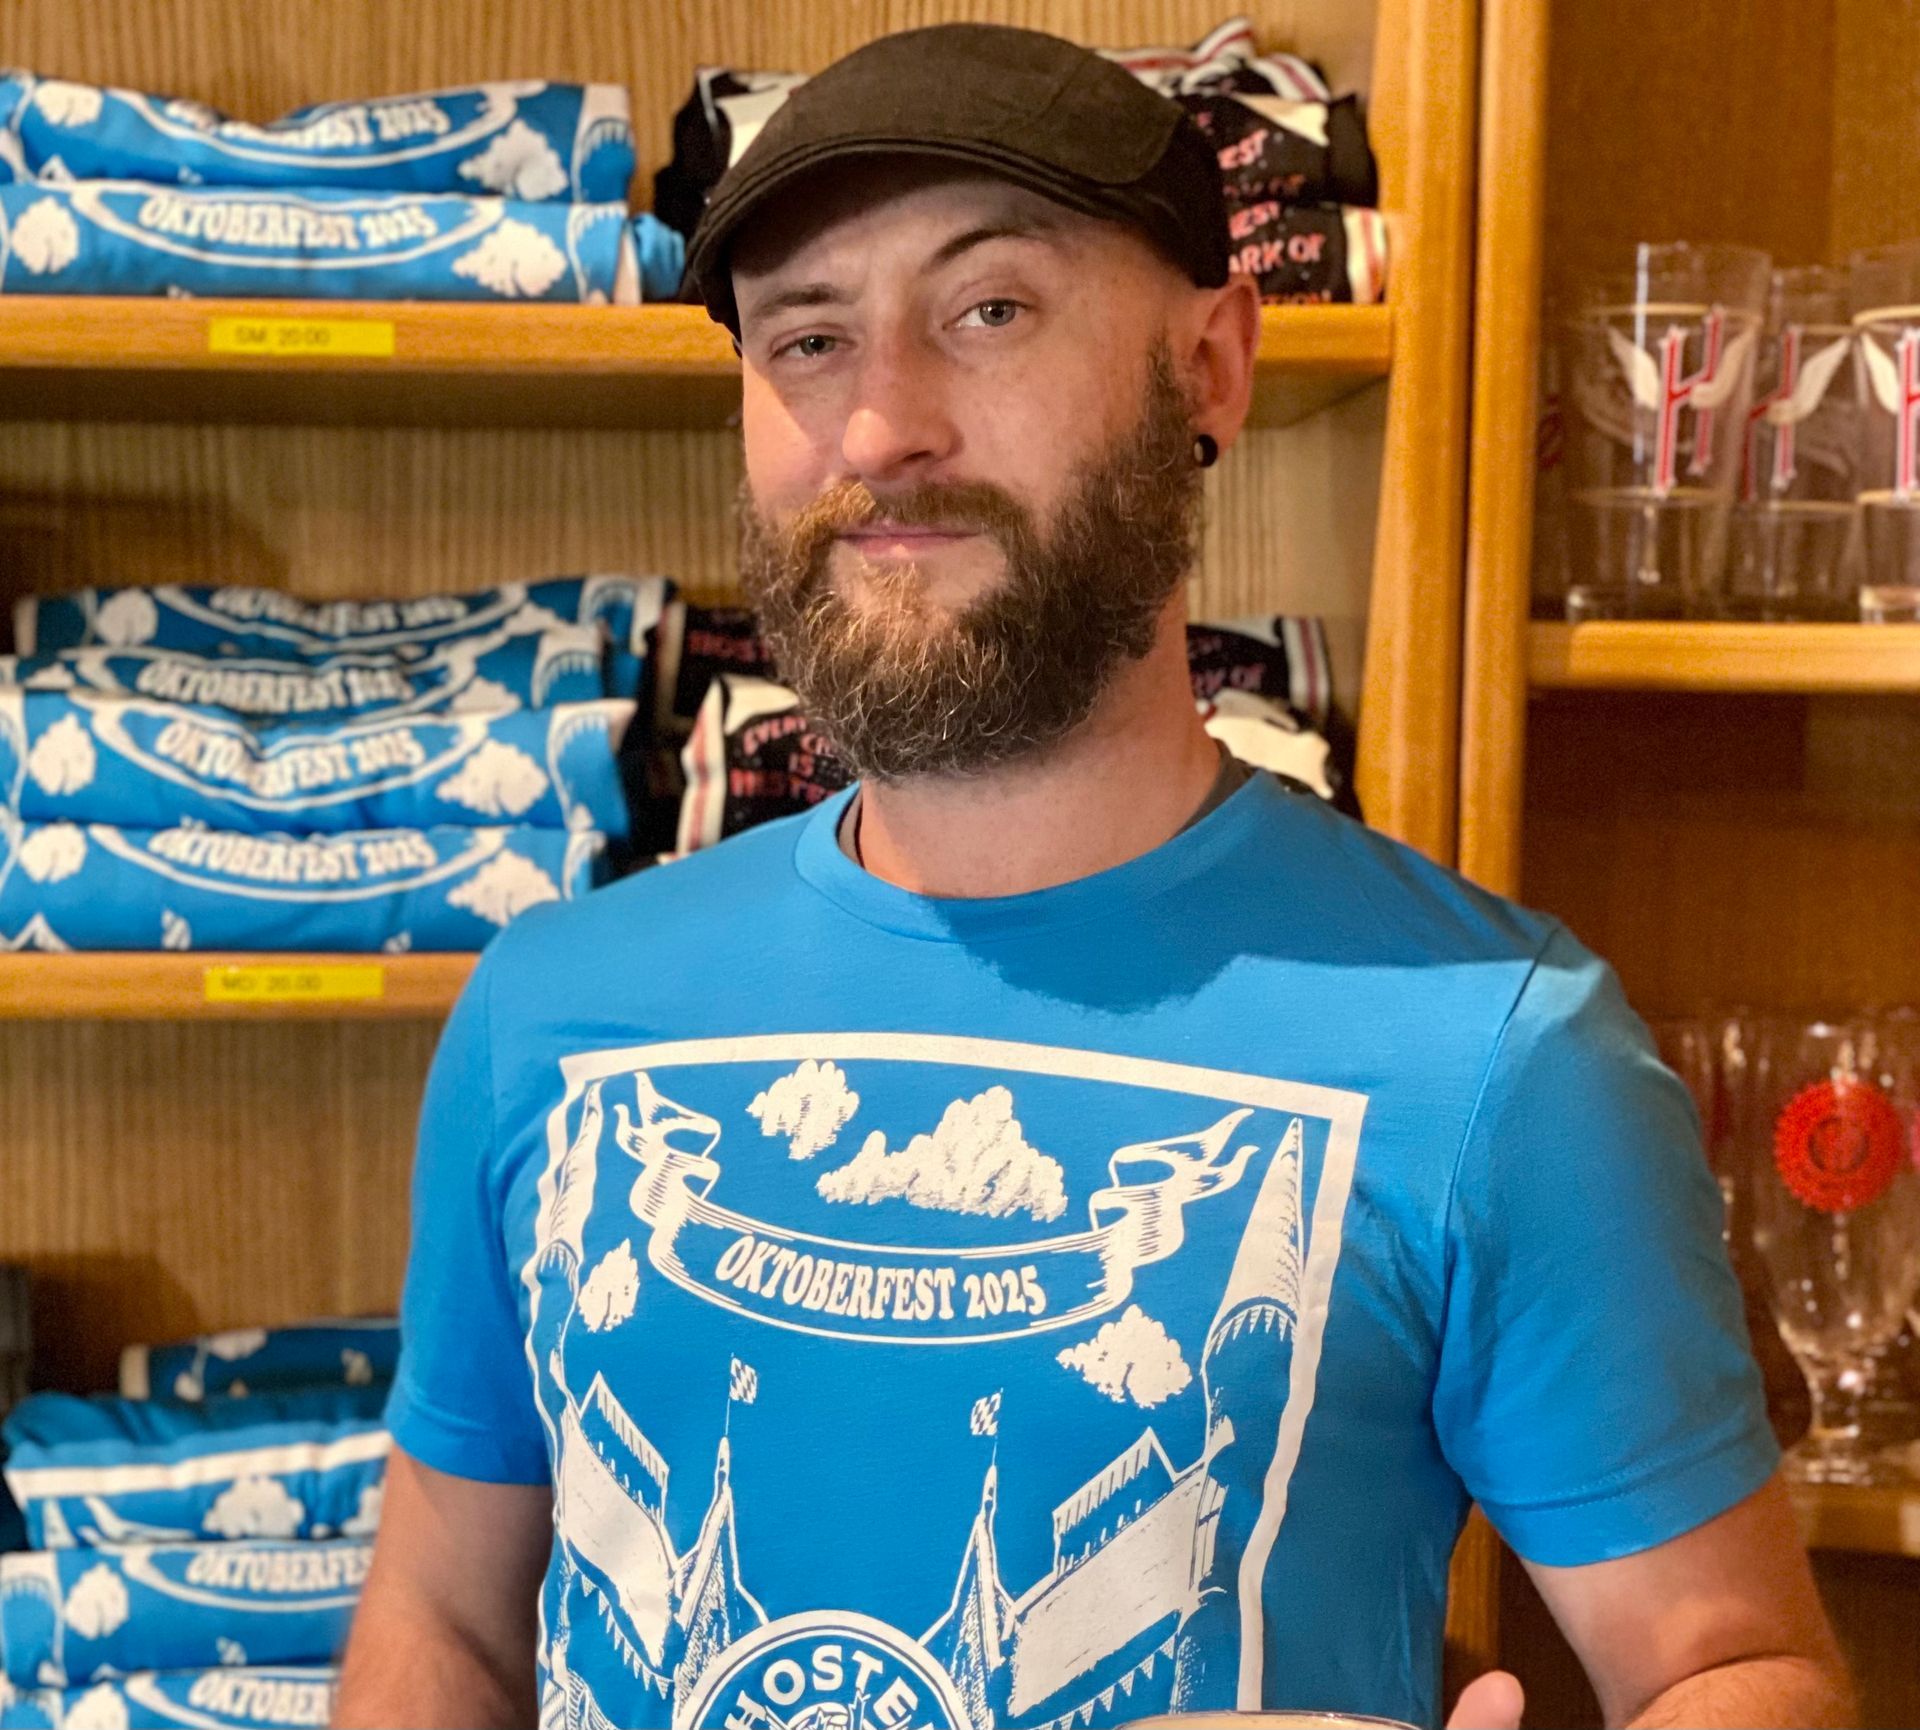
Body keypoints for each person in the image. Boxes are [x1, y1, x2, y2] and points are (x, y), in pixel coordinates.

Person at [333, 24, 1852, 1730]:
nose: (884, 424)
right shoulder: (549, 1011)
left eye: (990, 310)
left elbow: (1739, 1666)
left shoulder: (1499, 1052)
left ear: (1209, 366)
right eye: (808, 338)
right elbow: (447, 1624)